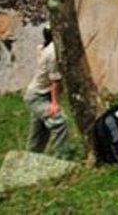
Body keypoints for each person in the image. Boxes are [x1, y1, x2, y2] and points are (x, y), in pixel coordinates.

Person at [23, 25, 71, 159]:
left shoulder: (47, 48)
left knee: (39, 132)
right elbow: (55, 81)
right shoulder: (53, 52)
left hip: (41, 93)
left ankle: (30, 158)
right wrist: (55, 103)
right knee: (59, 122)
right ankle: (61, 158)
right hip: (37, 96)